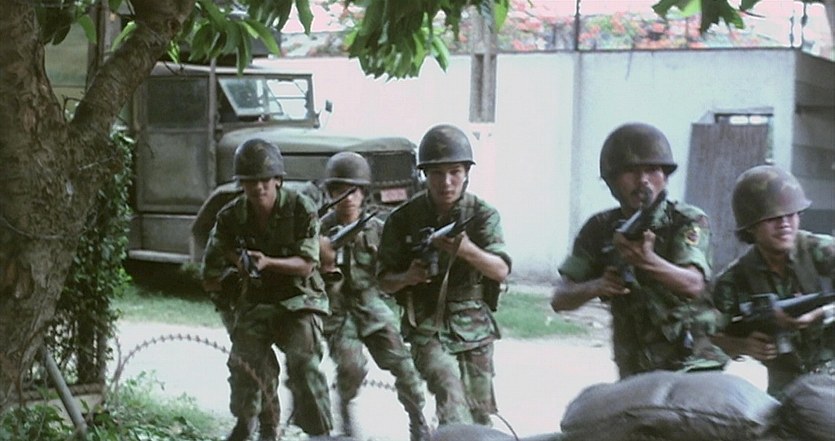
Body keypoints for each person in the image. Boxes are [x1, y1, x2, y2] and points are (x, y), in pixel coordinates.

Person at [550, 122, 728, 379]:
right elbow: (560, 299)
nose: (643, 180)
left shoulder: (686, 220)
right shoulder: (600, 227)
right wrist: (598, 286)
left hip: (694, 363)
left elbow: (693, 283)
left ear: (665, 177)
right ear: (611, 180)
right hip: (636, 367)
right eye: (630, 171)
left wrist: (647, 261)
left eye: (652, 170)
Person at [376, 124, 512, 426]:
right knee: (451, 398)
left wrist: (466, 250)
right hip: (427, 328)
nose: (446, 182)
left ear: (466, 173)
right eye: (437, 173)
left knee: (480, 416)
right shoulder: (403, 219)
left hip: (473, 330)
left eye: (454, 172)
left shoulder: (482, 215)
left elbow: (500, 270)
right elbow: (383, 280)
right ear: (424, 174)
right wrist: (407, 277)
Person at [201, 138, 332, 440]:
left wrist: (268, 262)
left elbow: (307, 264)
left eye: (265, 180)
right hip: (256, 301)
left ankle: (320, 432)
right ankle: (257, 424)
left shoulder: (301, 208)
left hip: (299, 299)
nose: (258, 187)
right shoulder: (231, 217)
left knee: (303, 361)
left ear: (278, 180)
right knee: (246, 363)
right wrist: (237, 266)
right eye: (250, 181)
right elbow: (212, 266)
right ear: (241, 185)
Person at [316, 152, 430, 441]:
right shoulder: (318, 230)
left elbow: (392, 269)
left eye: (354, 191)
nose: (348, 198)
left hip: (370, 305)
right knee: (351, 367)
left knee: (404, 366)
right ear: (330, 194)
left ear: (364, 193)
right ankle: (344, 410)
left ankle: (417, 420)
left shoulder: (378, 229)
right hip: (337, 310)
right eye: (341, 191)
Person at [710, 165, 835, 397]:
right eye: (772, 217)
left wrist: (823, 313)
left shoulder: (823, 252)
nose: (784, 224)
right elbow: (705, 337)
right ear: (751, 226)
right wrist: (743, 346)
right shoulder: (734, 279)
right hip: (786, 390)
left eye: (791, 214)